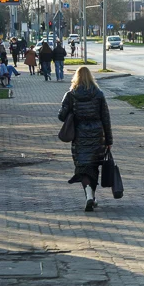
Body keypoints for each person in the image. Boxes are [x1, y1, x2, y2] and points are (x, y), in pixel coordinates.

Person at [58, 66, 112, 212]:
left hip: (79, 135)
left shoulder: (71, 95)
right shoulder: (98, 94)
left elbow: (61, 116)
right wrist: (109, 140)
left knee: (83, 167)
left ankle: (89, 195)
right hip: (97, 135)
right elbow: (106, 118)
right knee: (93, 166)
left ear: (76, 77)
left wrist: (69, 110)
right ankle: (91, 197)